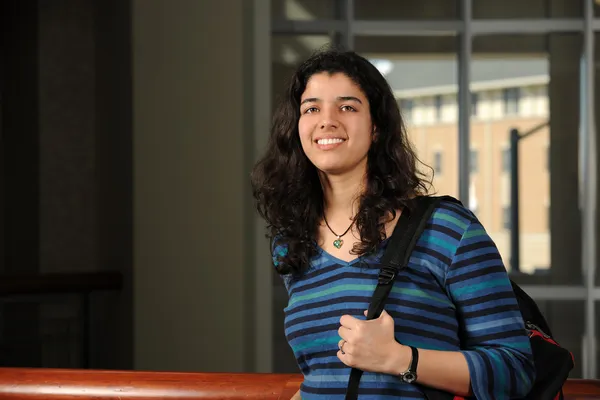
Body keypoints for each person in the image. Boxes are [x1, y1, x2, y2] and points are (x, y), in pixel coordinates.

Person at [251, 48, 535, 399]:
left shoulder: (446, 229)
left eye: (347, 107)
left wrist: (399, 358)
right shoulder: (292, 244)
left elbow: (515, 371)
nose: (327, 121)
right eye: (311, 108)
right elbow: (324, 379)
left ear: (375, 128)